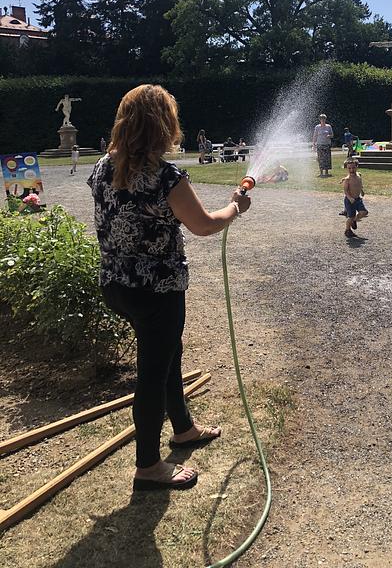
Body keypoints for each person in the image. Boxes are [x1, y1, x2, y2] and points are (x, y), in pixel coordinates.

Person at [88, 85, 251, 491]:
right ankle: (147, 466)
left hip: (117, 285)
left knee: (167, 354)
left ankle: (183, 428)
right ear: (164, 124)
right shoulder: (165, 177)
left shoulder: (102, 167)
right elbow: (204, 225)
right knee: (152, 373)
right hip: (157, 291)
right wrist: (236, 207)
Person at [342, 158, 368, 238]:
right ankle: (347, 230)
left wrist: (361, 191)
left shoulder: (359, 175)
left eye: (353, 168)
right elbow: (346, 191)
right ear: (347, 168)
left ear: (357, 167)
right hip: (350, 201)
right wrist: (350, 198)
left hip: (358, 199)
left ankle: (354, 221)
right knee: (351, 216)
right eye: (349, 168)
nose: (351, 170)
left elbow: (359, 184)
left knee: (364, 212)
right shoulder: (347, 180)